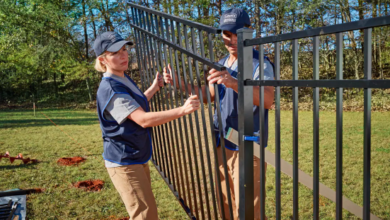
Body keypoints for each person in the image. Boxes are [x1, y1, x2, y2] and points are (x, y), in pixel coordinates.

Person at [163, 8, 274, 220]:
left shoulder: (259, 62)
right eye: (226, 34)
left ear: (248, 31)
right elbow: (210, 95)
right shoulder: (223, 62)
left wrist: (234, 83)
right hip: (223, 140)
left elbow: (268, 99)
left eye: (237, 33)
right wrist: (179, 84)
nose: (231, 40)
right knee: (227, 202)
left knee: (247, 208)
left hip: (248, 143)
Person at [93, 31, 200, 220]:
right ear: (103, 59)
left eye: (124, 49)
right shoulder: (111, 88)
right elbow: (142, 119)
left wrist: (153, 88)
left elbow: (133, 104)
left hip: (135, 156)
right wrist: (182, 110)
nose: (123, 55)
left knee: (147, 211)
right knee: (145, 215)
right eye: (115, 53)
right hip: (124, 162)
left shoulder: (122, 78)